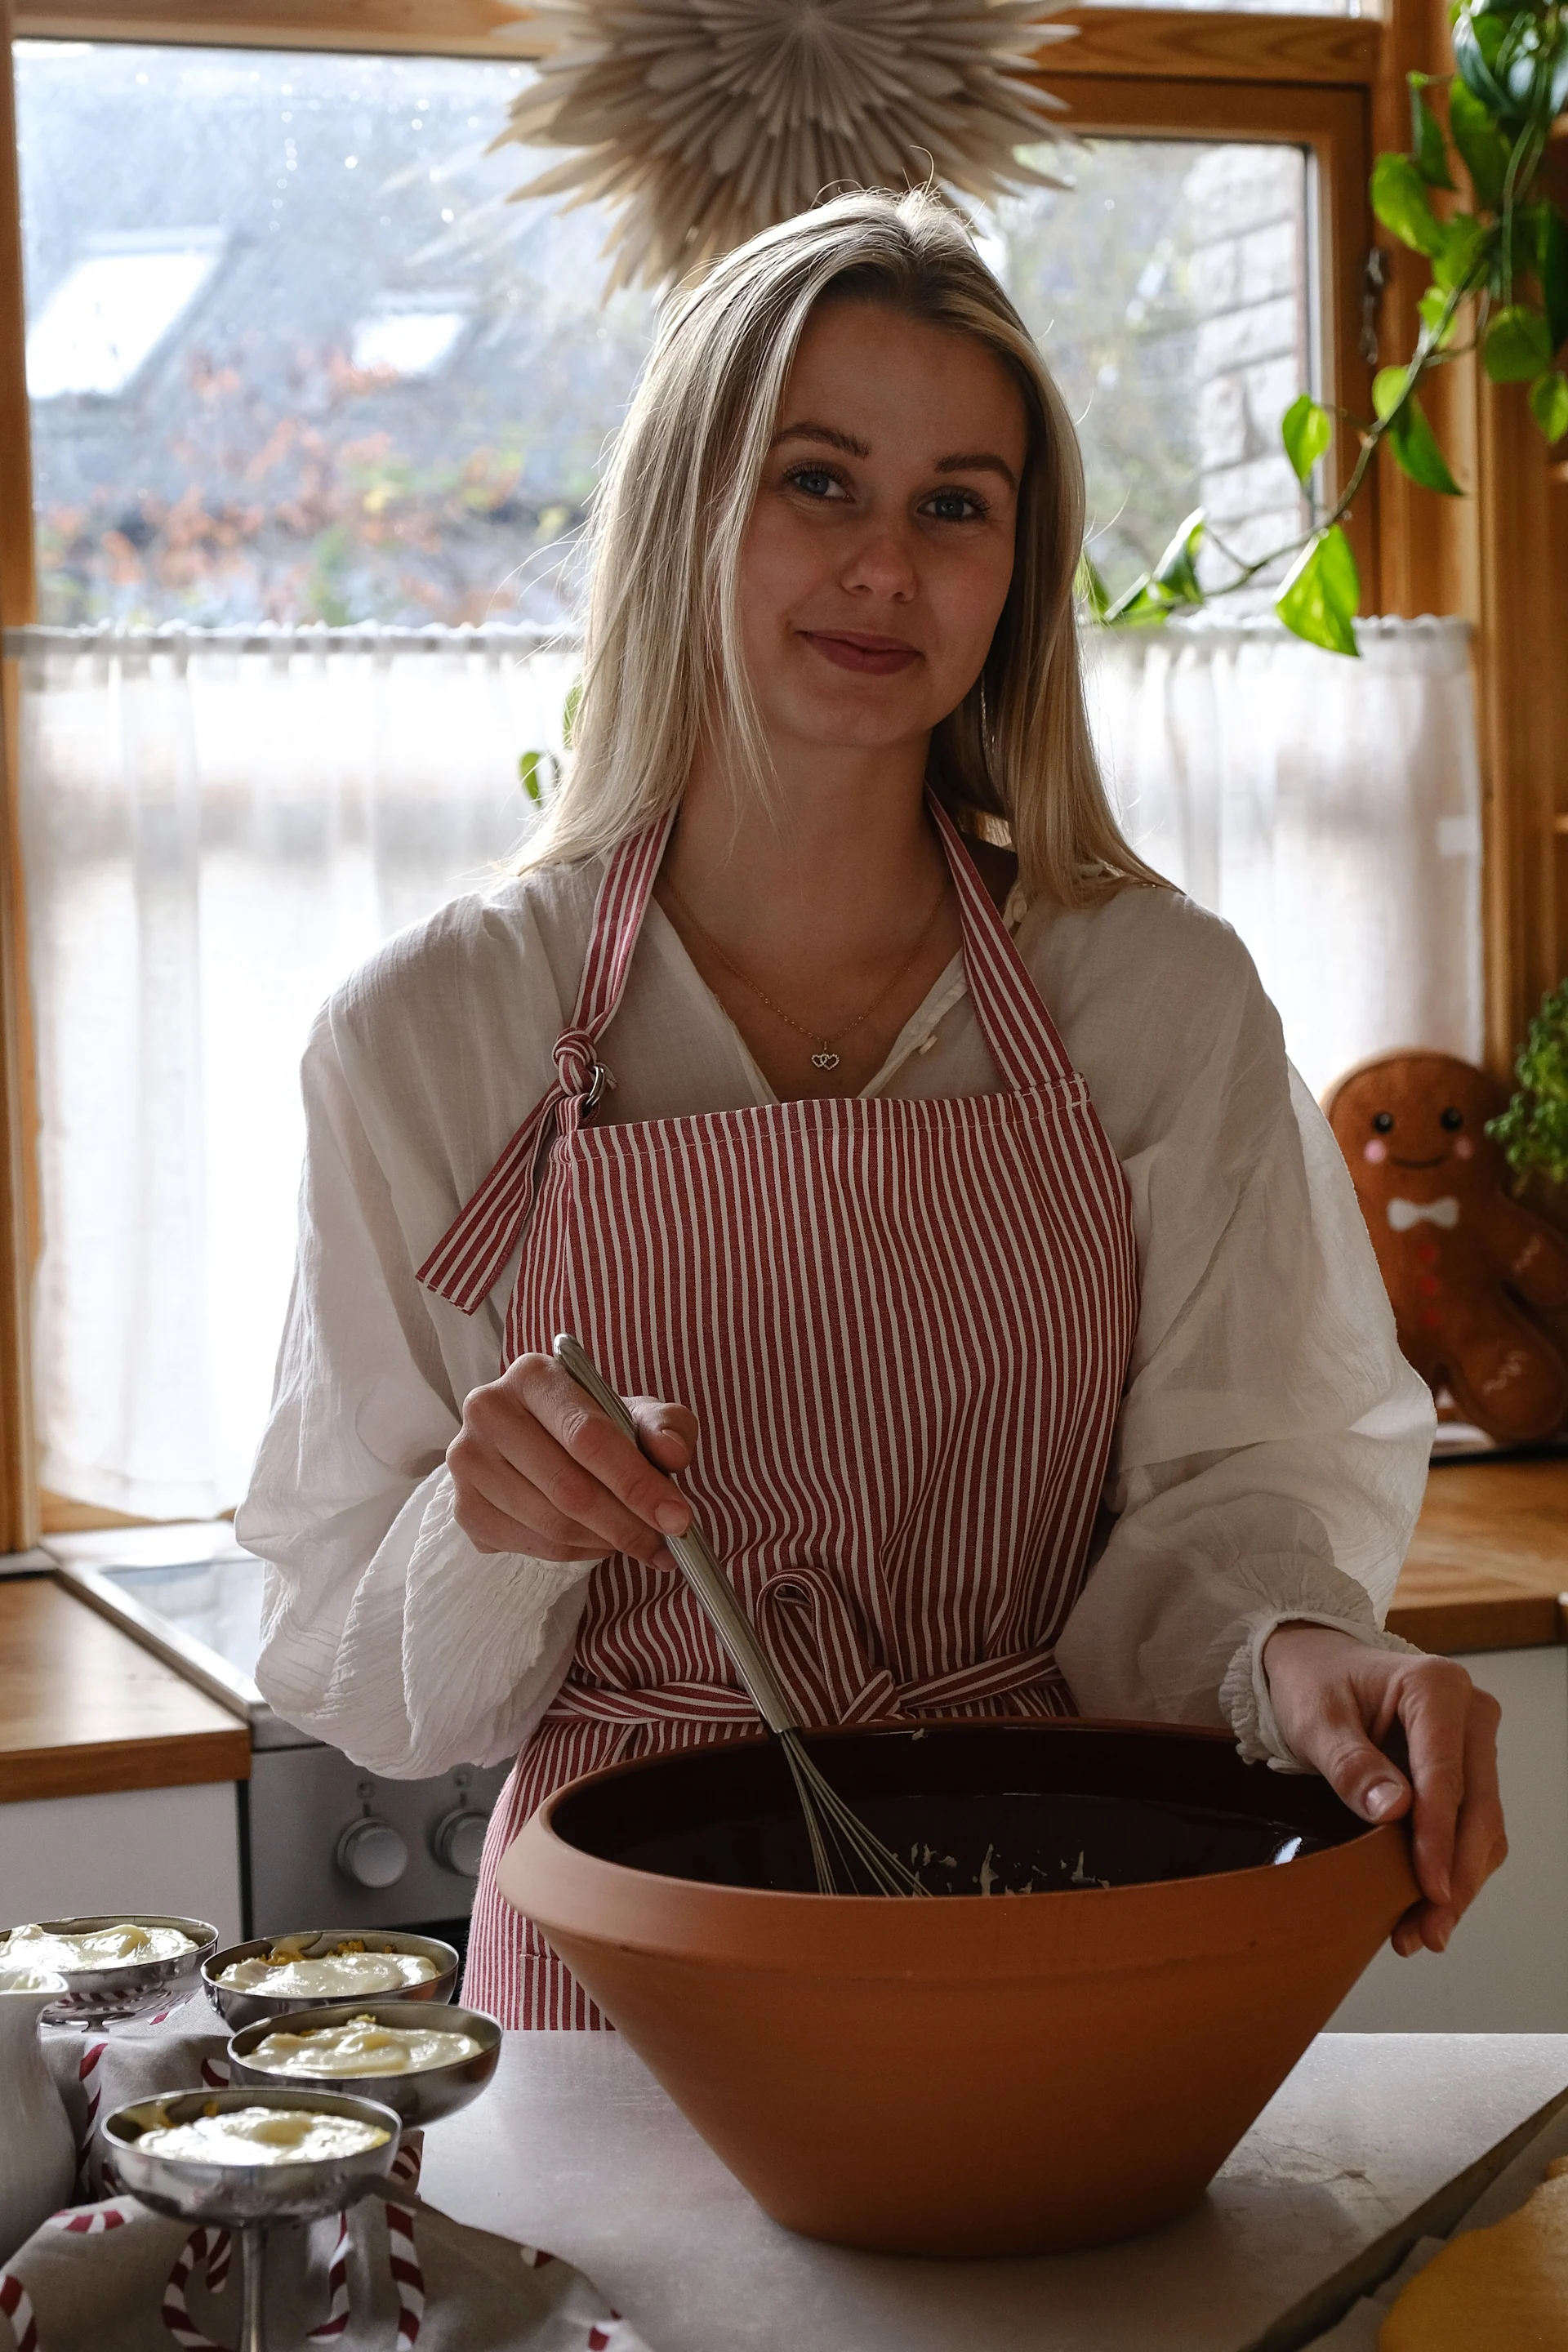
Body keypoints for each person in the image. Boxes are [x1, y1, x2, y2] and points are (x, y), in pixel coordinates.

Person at [237, 189, 1505, 2029]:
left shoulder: (1156, 1002)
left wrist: (1301, 1654)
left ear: (1017, 571)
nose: (887, 568)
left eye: (955, 506)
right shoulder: (434, 1033)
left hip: (1040, 1910)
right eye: (818, 481)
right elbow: (356, 1675)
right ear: (686, 507)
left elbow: (1235, 1498)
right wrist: (485, 1522)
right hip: (619, 1977)